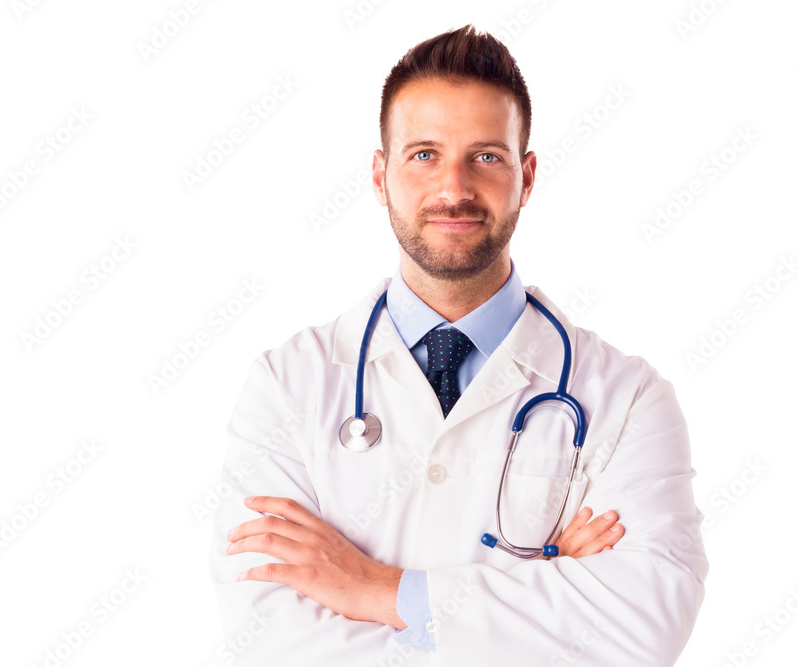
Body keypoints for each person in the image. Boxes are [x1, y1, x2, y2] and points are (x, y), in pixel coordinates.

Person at [208, 25, 707, 666]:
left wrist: (373, 589)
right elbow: (269, 640)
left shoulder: (628, 398)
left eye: (486, 157)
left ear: (525, 176)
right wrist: (547, 592)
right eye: (423, 154)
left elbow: (646, 620)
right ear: (379, 173)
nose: (454, 189)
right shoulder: (287, 385)